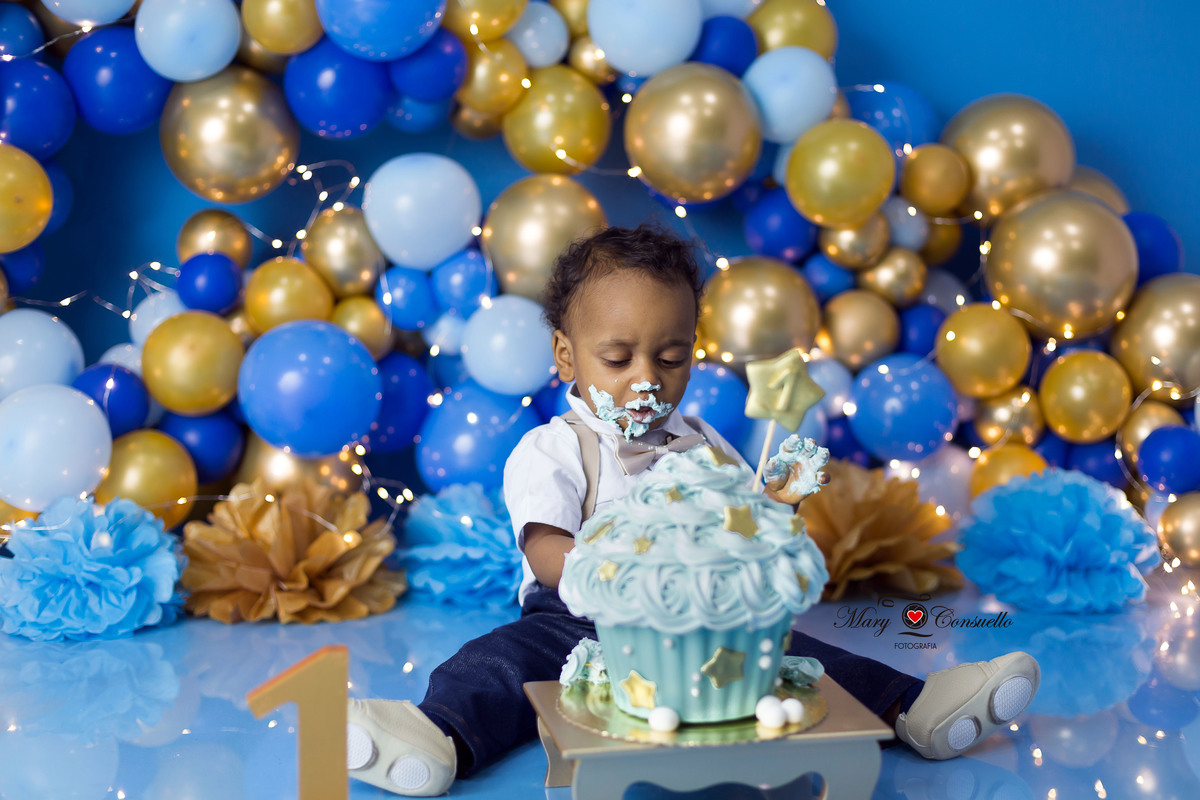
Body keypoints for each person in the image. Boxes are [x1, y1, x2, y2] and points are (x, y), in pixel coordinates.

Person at [346, 224, 1040, 796]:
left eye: (671, 357)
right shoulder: (554, 448)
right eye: (616, 358)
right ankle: (435, 735)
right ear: (566, 355)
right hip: (580, 618)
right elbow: (544, 545)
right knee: (497, 664)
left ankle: (918, 708)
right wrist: (599, 576)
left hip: (707, 620)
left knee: (807, 659)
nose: (646, 378)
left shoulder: (702, 444)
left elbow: (746, 528)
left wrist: (779, 498)